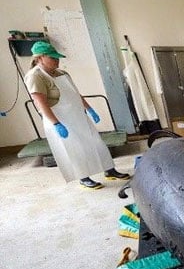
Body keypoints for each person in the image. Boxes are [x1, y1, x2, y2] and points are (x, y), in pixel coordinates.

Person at [24, 41, 131, 190]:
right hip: (60, 119)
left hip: (77, 116)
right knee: (74, 148)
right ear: (40, 57)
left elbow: (75, 94)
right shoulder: (35, 76)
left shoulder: (62, 73)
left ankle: (109, 170)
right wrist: (56, 124)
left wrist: (89, 109)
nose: (57, 60)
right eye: (53, 58)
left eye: (57, 57)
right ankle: (84, 178)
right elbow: (41, 104)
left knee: (95, 142)